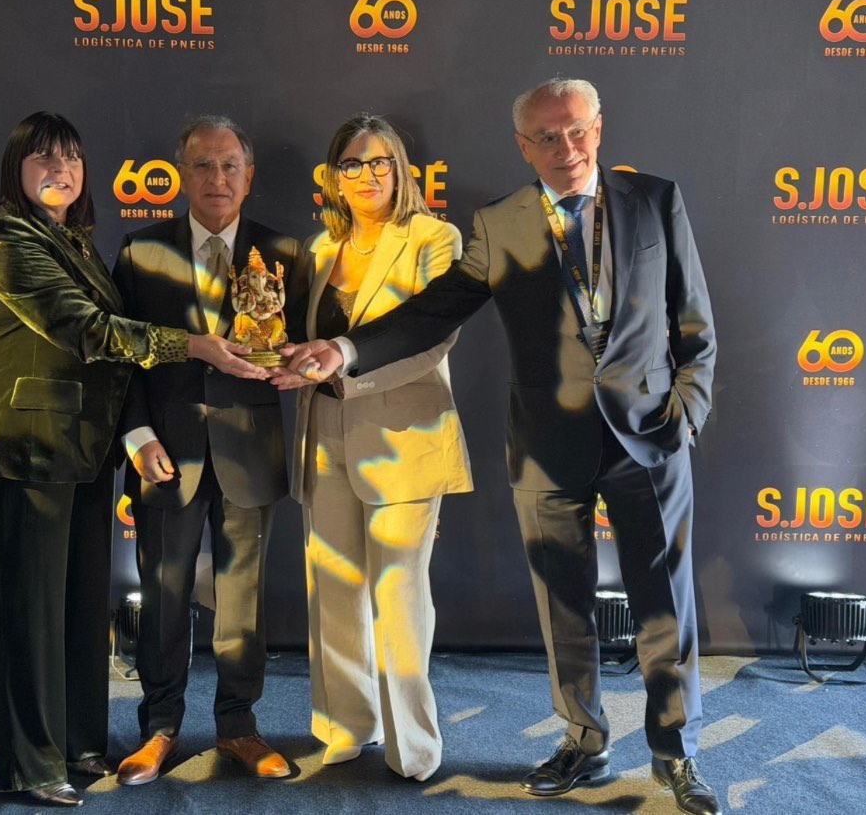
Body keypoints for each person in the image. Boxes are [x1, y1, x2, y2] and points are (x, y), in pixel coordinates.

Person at [282, 79, 720, 815]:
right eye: (546, 137)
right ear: (523, 147)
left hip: (649, 437)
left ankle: (676, 754)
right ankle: (583, 740)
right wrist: (345, 349)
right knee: (562, 606)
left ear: (598, 128)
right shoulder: (498, 223)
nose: (565, 148)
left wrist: (687, 416)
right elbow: (431, 314)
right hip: (546, 445)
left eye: (576, 131)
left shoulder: (655, 200)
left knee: (665, 606)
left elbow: (694, 321)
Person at [0, 112, 263, 807]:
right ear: (15, 169)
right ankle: (31, 764)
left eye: (70, 159)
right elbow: (86, 329)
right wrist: (193, 346)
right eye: (43, 159)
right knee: (31, 615)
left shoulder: (72, 239)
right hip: (27, 448)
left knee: (76, 609)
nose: (59, 171)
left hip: (85, 451)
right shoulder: (6, 239)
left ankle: (77, 745)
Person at [112, 115, 309, 784]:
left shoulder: (285, 252)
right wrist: (138, 438)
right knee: (163, 597)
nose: (216, 178)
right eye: (202, 164)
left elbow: (308, 344)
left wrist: (300, 362)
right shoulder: (141, 251)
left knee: (242, 602)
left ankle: (238, 727)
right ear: (181, 175)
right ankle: (159, 727)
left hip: (250, 452)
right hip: (166, 455)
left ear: (249, 177)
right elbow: (120, 357)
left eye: (230, 166)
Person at [275, 114, 472, 781]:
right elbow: (303, 339)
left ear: (401, 169)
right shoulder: (318, 247)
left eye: (380, 161)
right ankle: (346, 727)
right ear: (333, 176)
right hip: (322, 434)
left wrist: (341, 371)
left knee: (399, 598)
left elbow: (430, 339)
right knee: (333, 589)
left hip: (402, 438)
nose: (367, 175)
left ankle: (413, 746)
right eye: (352, 164)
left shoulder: (434, 239)